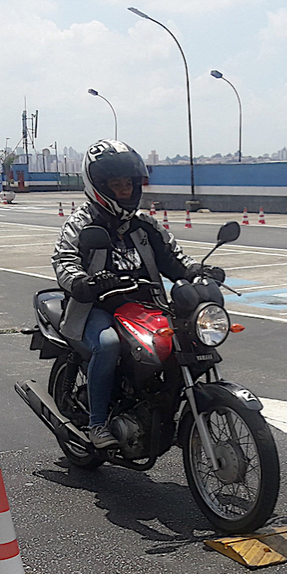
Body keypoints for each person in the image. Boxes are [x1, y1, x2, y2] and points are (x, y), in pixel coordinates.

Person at [52, 139, 224, 449]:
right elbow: (64, 261)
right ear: (99, 185)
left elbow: (174, 258)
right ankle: (97, 424)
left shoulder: (144, 225)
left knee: (182, 339)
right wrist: (83, 283)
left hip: (144, 307)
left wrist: (198, 272)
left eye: (128, 184)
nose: (125, 191)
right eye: (116, 184)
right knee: (107, 345)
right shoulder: (81, 223)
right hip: (95, 308)